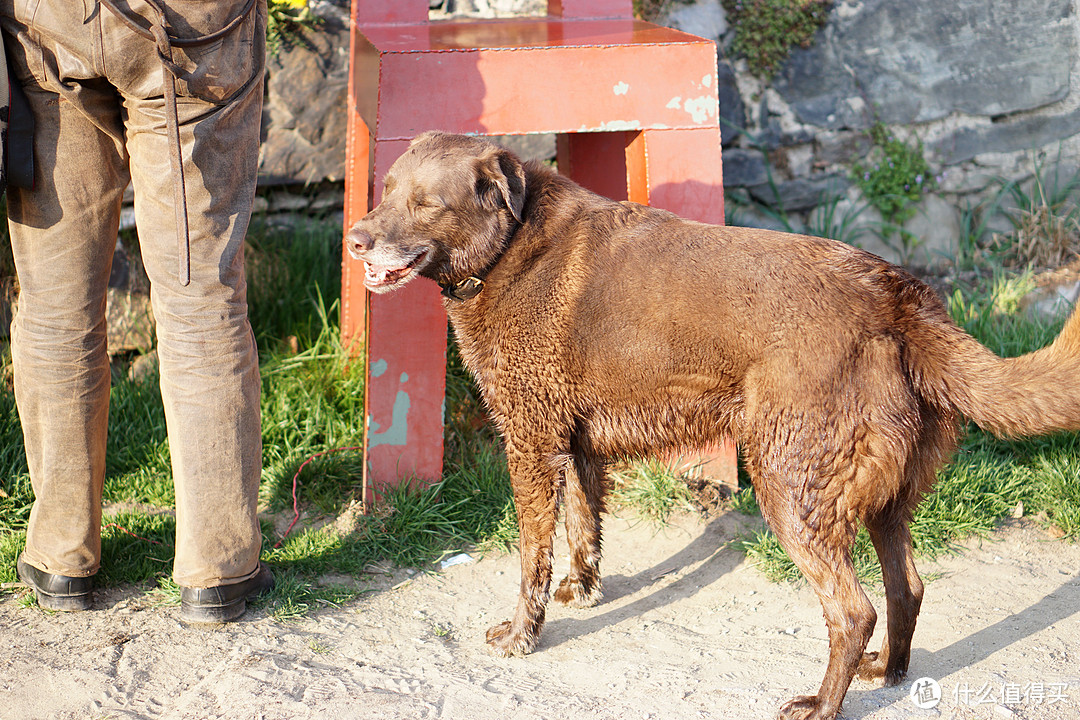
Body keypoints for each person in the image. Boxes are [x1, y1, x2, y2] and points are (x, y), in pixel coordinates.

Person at [2, 0, 273, 623]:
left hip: (53, 20)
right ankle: (219, 567)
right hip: (196, 25)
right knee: (200, 294)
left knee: (53, 302)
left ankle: (61, 556)